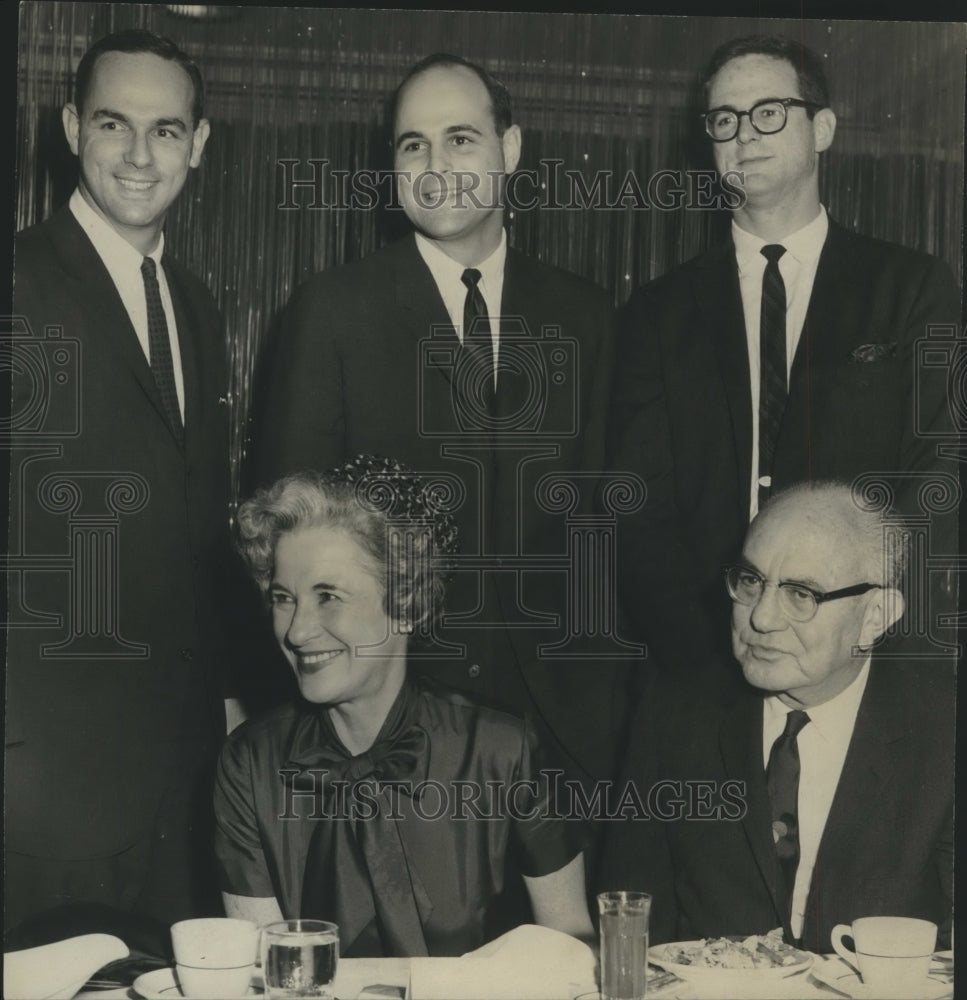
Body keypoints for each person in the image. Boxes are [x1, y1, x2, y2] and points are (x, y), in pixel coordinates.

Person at [253, 53, 630, 799]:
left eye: (460, 138)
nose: (435, 165)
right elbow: (286, 546)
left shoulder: (583, 316)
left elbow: (607, 524)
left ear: (509, 150)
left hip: (563, 727)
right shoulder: (332, 310)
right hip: (391, 730)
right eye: (411, 144)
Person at [607, 35, 961, 676]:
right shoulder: (657, 313)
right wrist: (717, 650)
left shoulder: (909, 288)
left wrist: (853, 628)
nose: (745, 134)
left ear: (822, 128)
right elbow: (637, 509)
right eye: (724, 119)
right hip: (706, 662)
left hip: (864, 658)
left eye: (769, 112)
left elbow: (939, 472)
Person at [6, 29, 240, 930]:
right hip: (40, 786)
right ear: (70, 127)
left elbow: (199, 532)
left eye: (167, 130)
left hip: (177, 785)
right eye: (114, 124)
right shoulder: (17, 282)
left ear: (200, 144)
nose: (141, 156)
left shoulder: (196, 304)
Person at [215, 456, 595, 957]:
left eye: (327, 595)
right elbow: (261, 974)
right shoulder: (250, 764)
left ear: (407, 602)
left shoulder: (502, 750)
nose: (297, 629)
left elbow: (574, 949)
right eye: (283, 597)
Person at [599, 481, 954, 953]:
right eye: (750, 581)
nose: (761, 618)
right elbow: (631, 916)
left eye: (801, 594)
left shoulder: (945, 729)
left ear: (876, 615)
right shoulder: (676, 711)